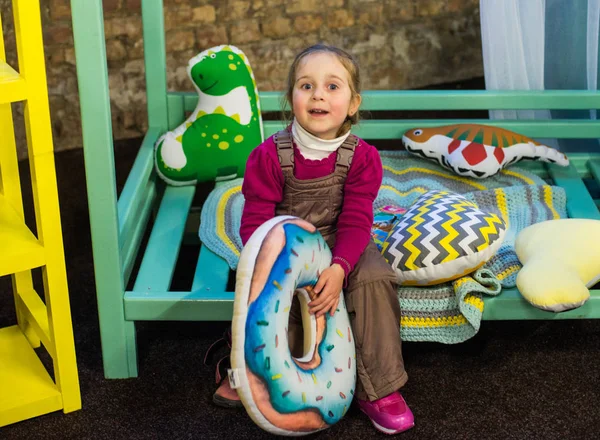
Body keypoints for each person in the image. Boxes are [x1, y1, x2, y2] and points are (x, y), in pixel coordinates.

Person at [212, 43, 414, 435]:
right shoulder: (268, 157)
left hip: (342, 240)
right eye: (306, 86)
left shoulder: (363, 158)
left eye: (332, 86)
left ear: (353, 103)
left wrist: (340, 268)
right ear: (291, 99)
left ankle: (380, 389)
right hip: (284, 242)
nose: (318, 94)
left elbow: (357, 220)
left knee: (374, 278)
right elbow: (256, 221)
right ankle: (250, 367)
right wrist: (276, 269)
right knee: (265, 289)